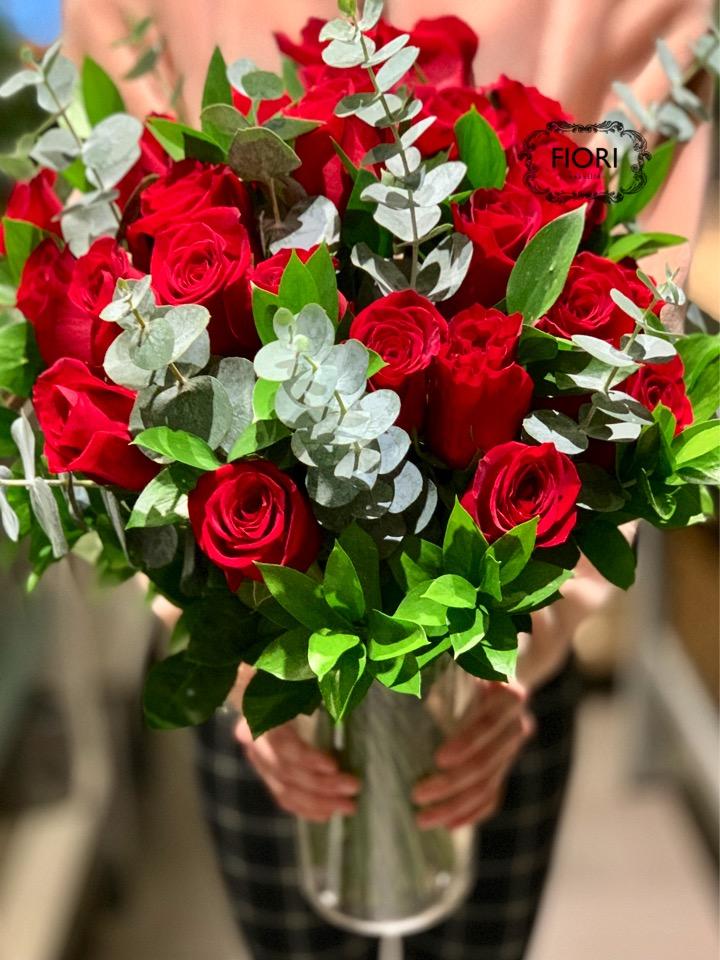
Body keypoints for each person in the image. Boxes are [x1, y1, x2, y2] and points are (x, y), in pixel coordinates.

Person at [62, 2, 712, 958]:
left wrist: (527, 643)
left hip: (500, 664)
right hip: (251, 647)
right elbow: (111, 240)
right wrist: (234, 654)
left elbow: (641, 279)